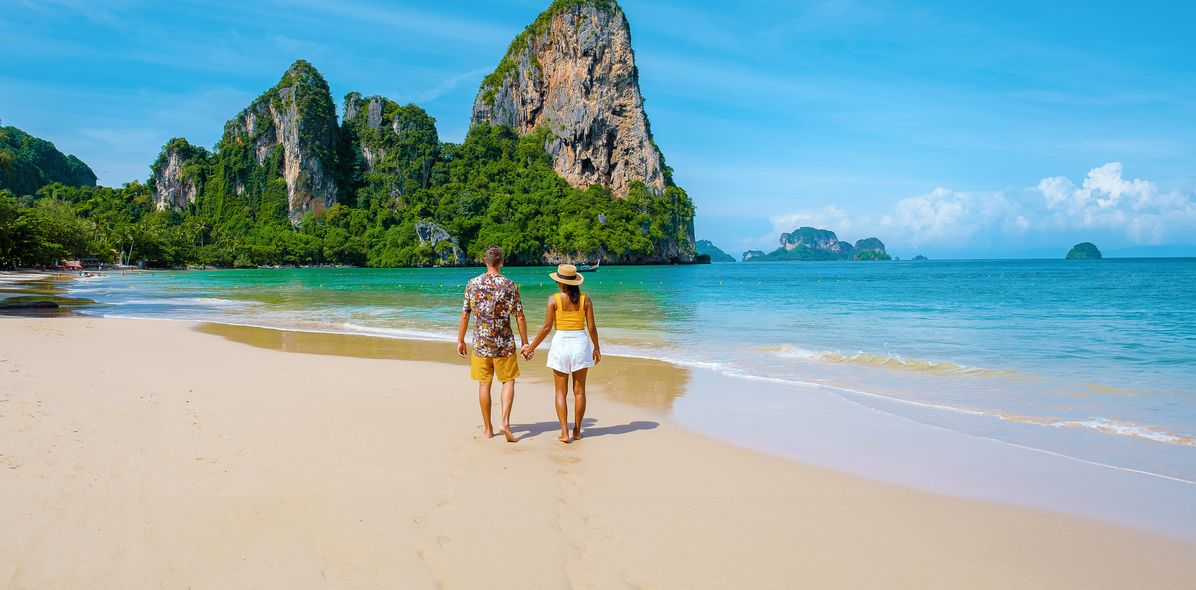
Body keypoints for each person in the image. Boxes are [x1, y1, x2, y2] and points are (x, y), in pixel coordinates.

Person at [522, 264, 602, 443]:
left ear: (561, 283)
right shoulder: (585, 300)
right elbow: (591, 327)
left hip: (561, 344)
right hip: (580, 344)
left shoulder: (553, 300)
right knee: (579, 392)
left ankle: (564, 432)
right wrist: (596, 347)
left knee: (560, 392)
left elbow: (546, 327)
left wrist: (531, 347)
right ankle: (577, 431)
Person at [458, 245, 528, 443]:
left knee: (484, 384)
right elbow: (519, 316)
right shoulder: (510, 285)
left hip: (481, 344)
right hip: (504, 343)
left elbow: (465, 315)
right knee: (508, 381)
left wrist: (460, 340)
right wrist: (525, 343)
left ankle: (488, 429)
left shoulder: (472, 284)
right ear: (502, 262)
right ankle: (504, 422)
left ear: (485, 261)